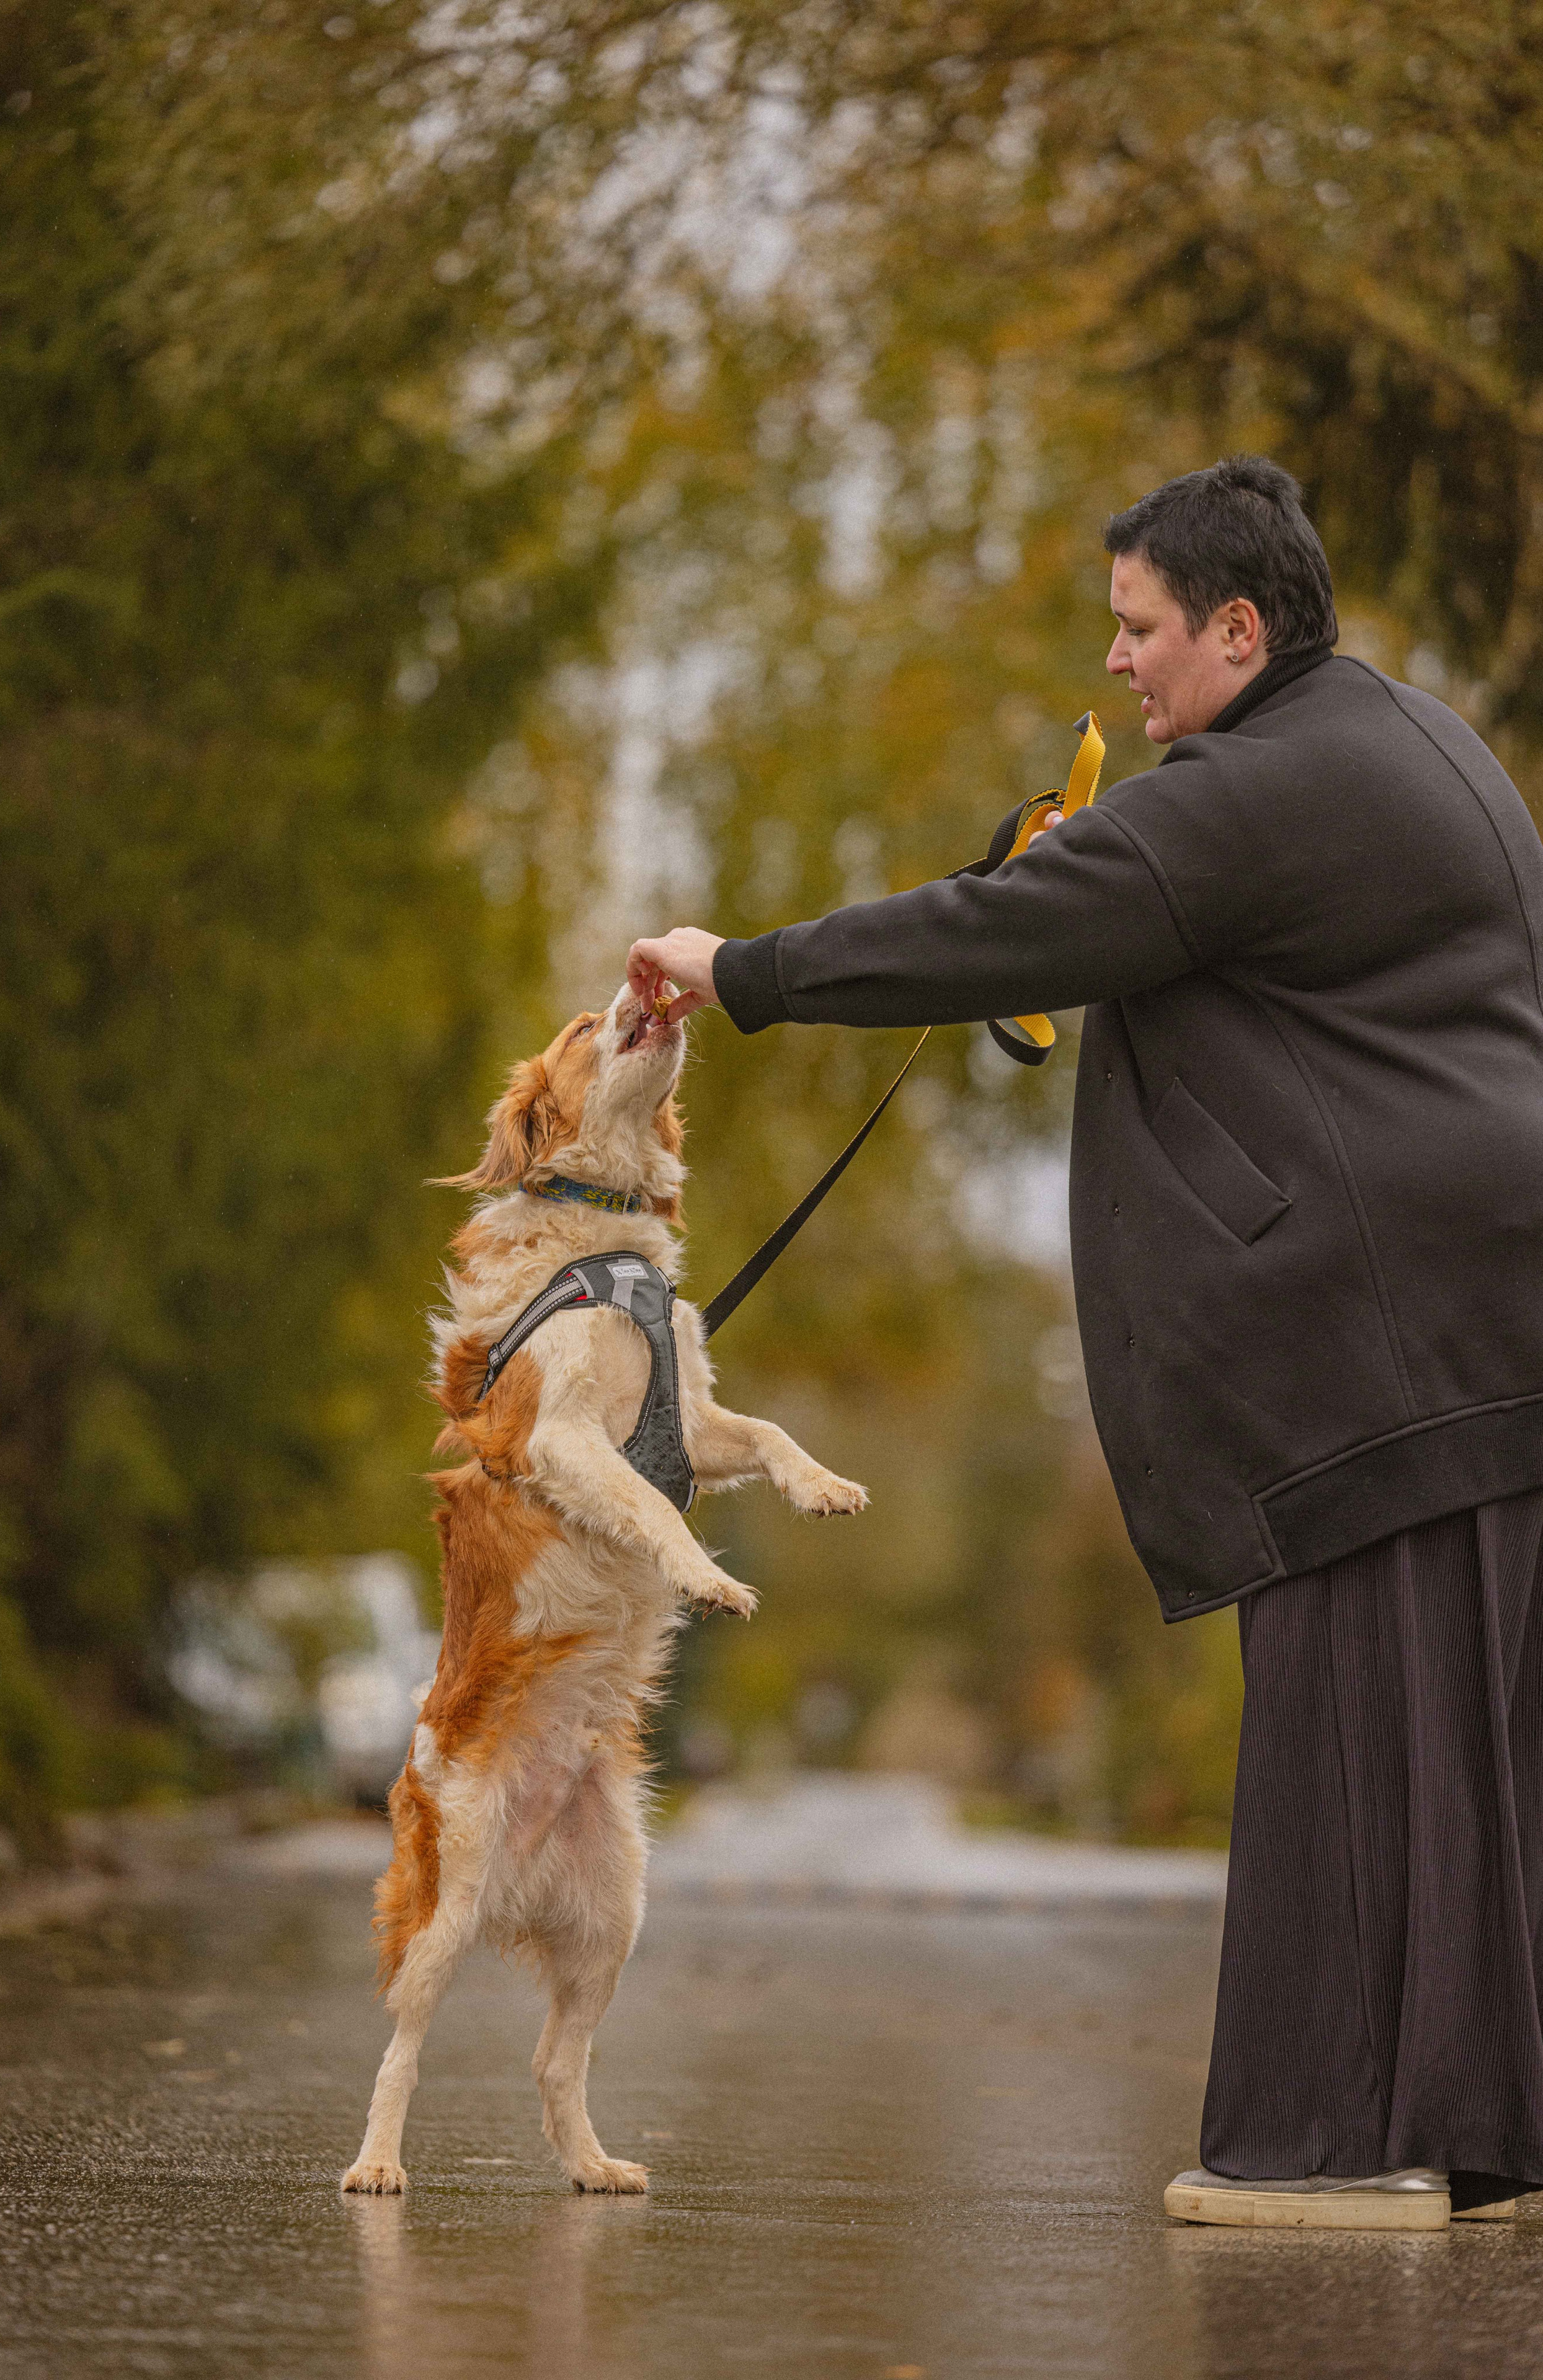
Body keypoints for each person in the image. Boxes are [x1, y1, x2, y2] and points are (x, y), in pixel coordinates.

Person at [626, 455, 1543, 2227]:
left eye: (1140, 628)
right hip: (1488, 1321)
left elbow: (1001, 932)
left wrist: (741, 969)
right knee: (1476, 1748)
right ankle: (1484, 2141)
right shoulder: (1423, 745)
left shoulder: (1252, 794)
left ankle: (1336, 2152)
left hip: (1382, 1352)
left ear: (1238, 630)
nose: (1118, 662)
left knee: (1353, 1732)